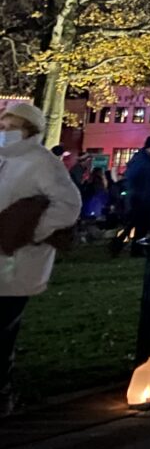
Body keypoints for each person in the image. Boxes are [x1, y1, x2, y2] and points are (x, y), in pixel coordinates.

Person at [0, 101, 82, 415]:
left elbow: (68, 205)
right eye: (2, 127)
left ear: (30, 130)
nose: (5, 133)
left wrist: (33, 230)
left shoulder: (42, 162)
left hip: (19, 264)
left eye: (12, 128)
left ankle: (2, 390)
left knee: (3, 328)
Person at [112, 137, 150, 255]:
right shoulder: (142, 160)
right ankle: (133, 248)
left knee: (136, 224)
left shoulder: (147, 160)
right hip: (140, 197)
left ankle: (122, 246)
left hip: (145, 196)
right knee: (140, 224)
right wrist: (134, 191)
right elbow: (132, 177)